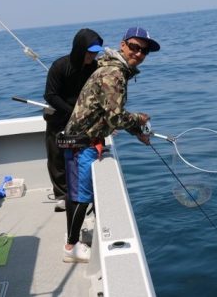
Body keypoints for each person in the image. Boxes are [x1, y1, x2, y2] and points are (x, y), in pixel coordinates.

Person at [60, 27, 160, 263]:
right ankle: (70, 247)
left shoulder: (114, 70)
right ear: (123, 45)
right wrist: (139, 119)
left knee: (81, 194)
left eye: (144, 51)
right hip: (80, 144)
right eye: (135, 47)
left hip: (88, 141)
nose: (139, 53)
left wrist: (136, 132)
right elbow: (116, 118)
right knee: (80, 197)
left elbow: (108, 114)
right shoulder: (113, 74)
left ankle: (73, 240)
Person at [43, 28, 103, 212]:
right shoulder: (59, 66)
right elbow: (50, 95)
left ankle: (84, 193)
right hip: (59, 116)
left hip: (84, 119)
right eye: (89, 52)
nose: (92, 56)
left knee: (83, 155)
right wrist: (71, 111)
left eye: (95, 53)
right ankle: (62, 195)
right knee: (57, 156)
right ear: (79, 49)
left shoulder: (95, 67)